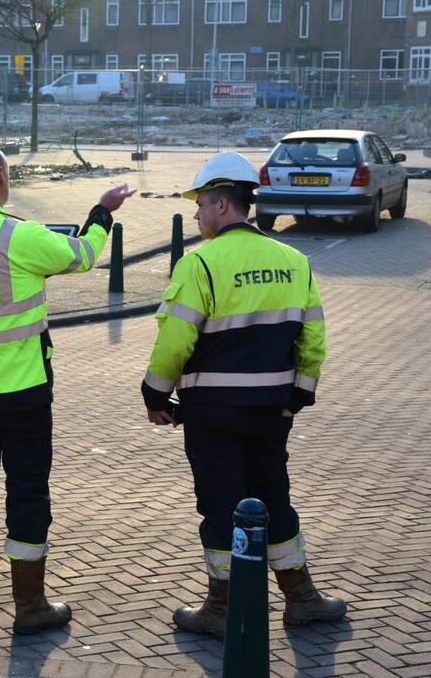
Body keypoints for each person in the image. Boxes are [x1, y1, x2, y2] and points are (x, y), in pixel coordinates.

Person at [140, 150, 347, 636]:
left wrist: (155, 395)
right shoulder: (294, 261)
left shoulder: (200, 264)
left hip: (212, 413)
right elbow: (314, 339)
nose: (196, 214)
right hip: (271, 411)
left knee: (221, 506)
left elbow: (175, 340)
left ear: (221, 205)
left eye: (200, 204)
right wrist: (297, 396)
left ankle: (222, 609)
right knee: (273, 498)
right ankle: (302, 598)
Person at [0, 143, 134, 634]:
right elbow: (82, 255)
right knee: (27, 491)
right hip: (21, 388)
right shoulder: (17, 234)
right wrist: (102, 212)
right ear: (2, 176)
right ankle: (29, 607)